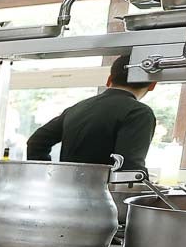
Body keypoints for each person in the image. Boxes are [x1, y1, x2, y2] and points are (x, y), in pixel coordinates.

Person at [26, 54, 157, 170]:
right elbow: (129, 168)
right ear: (152, 85)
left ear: (109, 79)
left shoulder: (78, 107)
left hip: (67, 191)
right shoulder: (139, 113)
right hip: (104, 194)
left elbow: (36, 142)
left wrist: (47, 175)